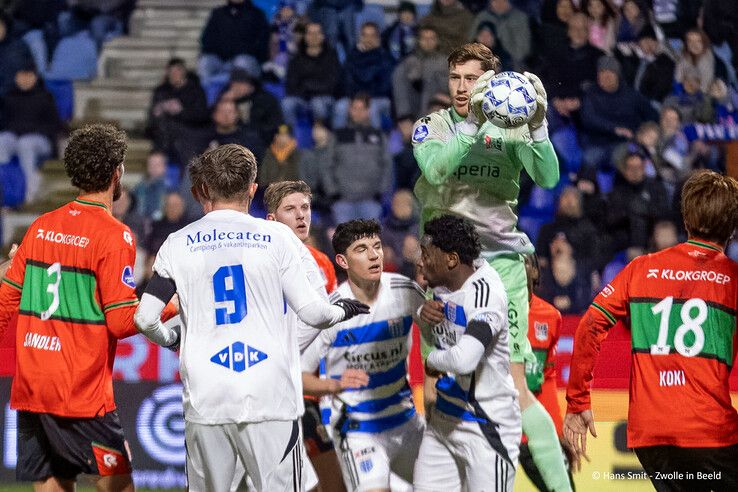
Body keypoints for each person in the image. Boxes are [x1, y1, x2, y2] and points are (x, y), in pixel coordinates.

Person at [133, 144, 369, 491]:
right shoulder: (278, 238)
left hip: (206, 395)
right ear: (252, 189)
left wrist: (171, 339)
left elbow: (145, 318)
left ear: (205, 190)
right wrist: (342, 309)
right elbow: (313, 313)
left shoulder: (177, 242)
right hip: (269, 394)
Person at [411, 42, 572, 491]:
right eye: (455, 78)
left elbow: (550, 179)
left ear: (491, 82)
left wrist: (538, 127)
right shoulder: (432, 127)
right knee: (439, 378)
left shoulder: (513, 129)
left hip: (500, 263)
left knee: (514, 386)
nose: (462, 87)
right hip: (444, 267)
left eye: (472, 79)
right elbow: (438, 172)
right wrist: (469, 124)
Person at [0, 124, 174, 491]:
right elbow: (122, 322)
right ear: (116, 173)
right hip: (79, 391)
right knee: (120, 485)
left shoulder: (40, 226)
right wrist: (173, 305)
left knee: (54, 483)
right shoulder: (115, 235)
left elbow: (5, 302)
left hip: (32, 386)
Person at [564, 170, 738, 491]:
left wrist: (577, 402)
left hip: (651, 436)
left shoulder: (641, 268)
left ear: (686, 218)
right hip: (709, 432)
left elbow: (590, 324)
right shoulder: (733, 278)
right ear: (732, 226)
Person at [301, 219, 426, 492]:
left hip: (406, 422)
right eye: (361, 249)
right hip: (357, 428)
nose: (373, 255)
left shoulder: (406, 292)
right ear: (343, 261)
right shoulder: (331, 312)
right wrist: (333, 385)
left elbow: (437, 337)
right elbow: (297, 377)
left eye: (377, 247)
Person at [414, 214, 521, 491]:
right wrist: (421, 315)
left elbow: (464, 359)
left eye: (426, 254)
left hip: (486, 427)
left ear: (451, 259)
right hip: (443, 423)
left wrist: (431, 361)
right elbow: (440, 336)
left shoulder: (486, 294)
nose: (420, 261)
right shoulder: (443, 283)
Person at [263, 180, 348, 492]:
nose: (301, 216)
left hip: (305, 389)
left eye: (305, 208)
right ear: (272, 219)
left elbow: (327, 328)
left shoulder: (320, 262)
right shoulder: (260, 259)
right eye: (290, 209)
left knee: (331, 484)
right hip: (269, 385)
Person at [520, 253, 577, 491]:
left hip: (532, 433)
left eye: (524, 262)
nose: (517, 267)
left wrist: (556, 432)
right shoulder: (491, 313)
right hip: (495, 426)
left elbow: (546, 377)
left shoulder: (550, 317)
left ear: (535, 271)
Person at [198, 0, 270, 83]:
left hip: (246, 60)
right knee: (205, 62)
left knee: (241, 62)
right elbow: (207, 38)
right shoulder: (218, 13)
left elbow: (263, 41)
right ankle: (209, 94)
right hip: (221, 59)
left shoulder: (257, 14)